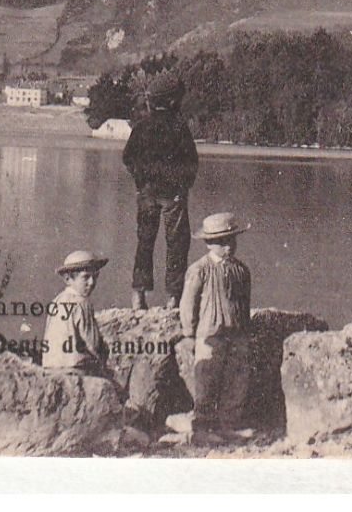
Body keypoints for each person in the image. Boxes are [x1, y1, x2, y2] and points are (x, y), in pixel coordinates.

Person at [122, 74, 199, 310]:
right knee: (176, 244)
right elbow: (191, 162)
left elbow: (128, 158)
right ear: (174, 101)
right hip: (173, 195)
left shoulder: (141, 126)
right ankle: (174, 297)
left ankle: (139, 294)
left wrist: (141, 181)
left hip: (147, 193)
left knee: (145, 241)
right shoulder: (179, 128)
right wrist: (182, 186)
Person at [180, 212, 254, 442]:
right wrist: (189, 333)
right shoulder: (199, 269)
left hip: (236, 333)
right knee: (206, 379)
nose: (228, 247)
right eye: (221, 242)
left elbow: (244, 302)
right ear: (208, 243)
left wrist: (246, 330)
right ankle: (201, 427)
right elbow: (188, 303)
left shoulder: (241, 270)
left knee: (237, 378)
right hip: (209, 334)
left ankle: (229, 424)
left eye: (231, 240)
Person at [42, 250, 110, 375]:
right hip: (75, 368)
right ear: (68, 279)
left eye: (95, 277)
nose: (92, 282)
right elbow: (93, 343)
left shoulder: (56, 301)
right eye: (86, 277)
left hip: (50, 368)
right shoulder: (82, 303)